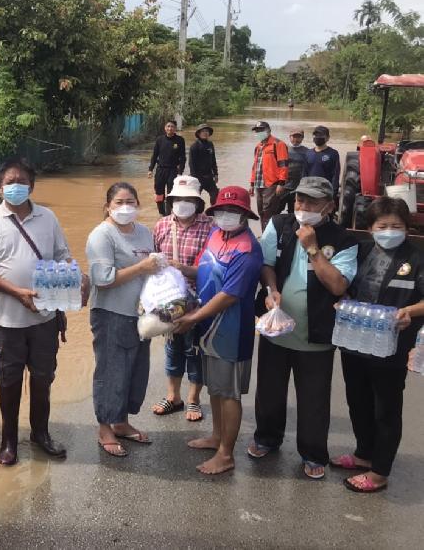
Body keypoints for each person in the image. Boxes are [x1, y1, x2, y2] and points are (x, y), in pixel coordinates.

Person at [249, 177, 358, 479]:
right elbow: (266, 264)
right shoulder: (279, 224)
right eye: (299, 199)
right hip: (277, 329)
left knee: (314, 398)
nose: (303, 206)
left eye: (312, 201)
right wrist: (271, 290)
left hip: (317, 334)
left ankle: (312, 453)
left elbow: (338, 285)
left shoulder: (344, 240)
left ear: (329, 206)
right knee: (269, 390)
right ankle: (267, 438)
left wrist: (312, 248)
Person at [0, 157, 76, 466]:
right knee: (8, 382)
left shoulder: (48, 217)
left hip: (45, 319)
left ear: (32, 186)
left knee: (43, 379)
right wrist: (16, 292)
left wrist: (75, 282)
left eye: (22, 182)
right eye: (9, 182)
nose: (15, 187)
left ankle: (40, 434)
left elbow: (63, 257)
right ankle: (8, 441)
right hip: (6, 321)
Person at [331, 198, 424, 493]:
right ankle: (364, 454)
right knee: (357, 400)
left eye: (396, 226)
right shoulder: (361, 251)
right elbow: (345, 285)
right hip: (356, 340)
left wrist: (409, 311)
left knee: (386, 407)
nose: (389, 231)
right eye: (382, 226)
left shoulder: (416, 257)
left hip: (391, 346)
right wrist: (343, 300)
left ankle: (380, 472)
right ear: (370, 228)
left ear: (407, 228)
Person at [171, 186, 264, 475]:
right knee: (215, 387)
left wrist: (192, 318)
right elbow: (203, 270)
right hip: (207, 328)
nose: (226, 215)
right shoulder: (215, 235)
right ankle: (216, 436)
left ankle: (226, 454)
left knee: (229, 393)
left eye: (233, 211)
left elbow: (229, 295)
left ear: (245, 215)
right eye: (222, 210)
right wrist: (178, 268)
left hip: (230, 332)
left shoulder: (247, 250)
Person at [86, 182, 158, 458]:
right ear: (108, 207)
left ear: (138, 205)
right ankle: (105, 428)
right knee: (111, 371)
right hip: (111, 314)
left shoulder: (144, 232)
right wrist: (141, 266)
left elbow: (151, 270)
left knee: (134, 370)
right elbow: (102, 279)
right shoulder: (102, 235)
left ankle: (121, 422)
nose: (125, 207)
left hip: (141, 315)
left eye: (130, 202)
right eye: (119, 202)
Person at [151, 176, 214, 422]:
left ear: (198, 202)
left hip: (198, 301)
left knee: (195, 350)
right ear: (171, 200)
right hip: (168, 301)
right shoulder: (162, 225)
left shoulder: (210, 227)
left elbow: (214, 268)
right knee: (172, 349)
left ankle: (193, 399)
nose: (183, 203)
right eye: (178, 198)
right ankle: (173, 396)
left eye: (188, 199)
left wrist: (185, 270)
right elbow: (152, 262)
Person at [249, 120, 290, 230]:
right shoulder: (258, 146)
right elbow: (255, 166)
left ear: (269, 130)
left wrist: (281, 183)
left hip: (271, 184)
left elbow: (283, 165)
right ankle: (264, 234)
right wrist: (252, 184)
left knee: (268, 212)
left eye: (261, 130)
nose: (259, 132)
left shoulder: (278, 144)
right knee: (261, 212)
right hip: (258, 184)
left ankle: (269, 236)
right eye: (257, 131)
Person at [148, 120, 186, 215]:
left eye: (172, 126)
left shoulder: (180, 140)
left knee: (171, 193)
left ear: (175, 128)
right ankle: (162, 213)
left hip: (173, 171)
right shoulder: (159, 140)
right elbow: (154, 155)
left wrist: (180, 172)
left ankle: (169, 214)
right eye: (168, 126)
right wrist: (150, 169)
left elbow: (183, 157)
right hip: (160, 170)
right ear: (165, 128)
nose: (170, 128)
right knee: (159, 193)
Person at [306, 126, 341, 199]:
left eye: (321, 135)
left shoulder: (333, 153)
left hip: (325, 192)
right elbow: (304, 174)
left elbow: (335, 175)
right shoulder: (308, 153)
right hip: (310, 191)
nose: (318, 137)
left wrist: (334, 193)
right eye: (316, 135)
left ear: (328, 138)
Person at [188, 124, 219, 204]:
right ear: (198, 133)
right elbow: (191, 164)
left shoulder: (210, 144)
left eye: (207, 131)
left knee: (215, 195)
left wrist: (216, 174)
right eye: (203, 131)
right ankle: (197, 211)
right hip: (198, 177)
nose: (205, 133)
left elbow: (213, 160)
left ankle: (212, 210)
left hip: (209, 176)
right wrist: (194, 178)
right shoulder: (194, 146)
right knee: (195, 199)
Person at [284, 128, 310, 214]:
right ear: (290, 137)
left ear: (302, 138)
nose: (296, 139)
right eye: (294, 136)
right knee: (276, 210)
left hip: (298, 187)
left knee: (294, 212)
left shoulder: (307, 151)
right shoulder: (283, 149)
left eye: (299, 137)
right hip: (283, 186)